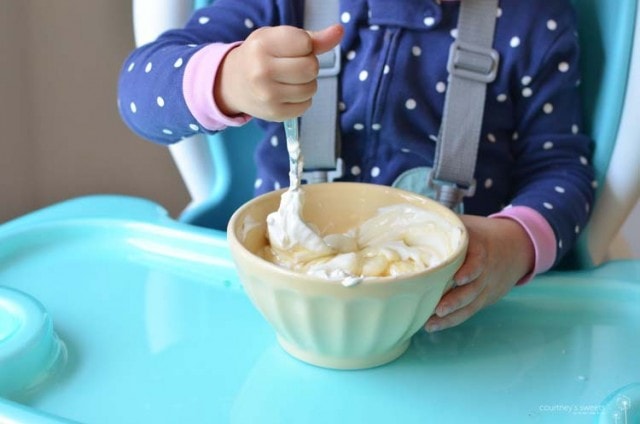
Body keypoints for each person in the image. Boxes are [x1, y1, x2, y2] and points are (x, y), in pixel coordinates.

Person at [118, 0, 595, 332]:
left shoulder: (535, 20)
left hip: (455, 319)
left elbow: (562, 170)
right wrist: (229, 77)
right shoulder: (284, 5)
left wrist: (515, 247)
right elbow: (139, 92)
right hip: (279, 306)